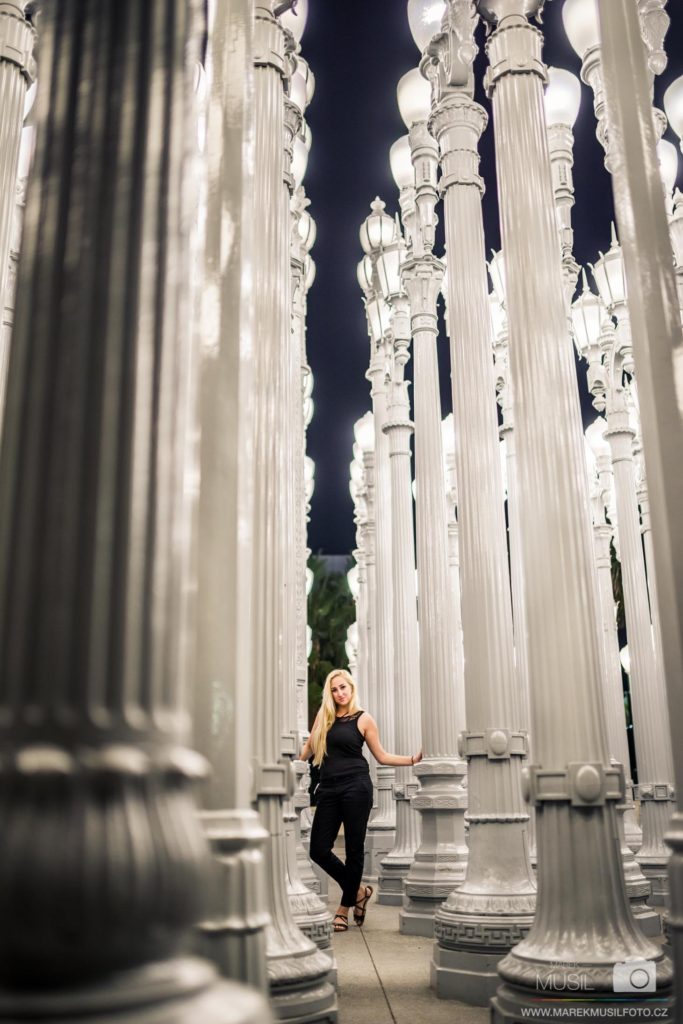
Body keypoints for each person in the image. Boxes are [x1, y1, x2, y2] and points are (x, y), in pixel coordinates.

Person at [299, 668, 422, 933]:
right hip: (329, 789)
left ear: (351, 688)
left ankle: (343, 909)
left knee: (355, 849)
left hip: (357, 787)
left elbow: (382, 756)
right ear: (329, 693)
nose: (339, 693)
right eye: (334, 689)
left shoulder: (364, 718)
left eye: (343, 687)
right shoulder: (324, 717)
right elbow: (307, 751)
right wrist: (287, 765)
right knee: (318, 849)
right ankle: (359, 891)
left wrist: (412, 760)